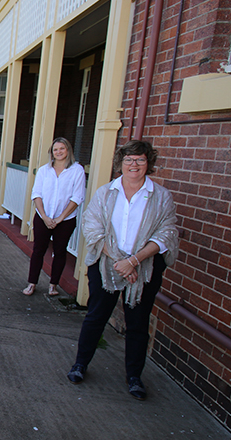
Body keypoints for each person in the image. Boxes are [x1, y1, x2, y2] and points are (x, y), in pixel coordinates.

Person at [67, 140, 178, 401]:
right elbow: (93, 228)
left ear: (148, 163)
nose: (134, 165)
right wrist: (121, 262)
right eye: (129, 160)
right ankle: (80, 364)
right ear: (121, 163)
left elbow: (167, 232)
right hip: (107, 265)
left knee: (138, 324)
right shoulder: (106, 192)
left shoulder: (161, 196)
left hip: (144, 269)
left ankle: (134, 377)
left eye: (140, 159)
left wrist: (135, 261)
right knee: (95, 317)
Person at [23, 137, 86, 296]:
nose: (58, 152)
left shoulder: (76, 170)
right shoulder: (44, 170)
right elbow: (36, 193)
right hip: (43, 217)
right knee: (38, 250)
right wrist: (44, 216)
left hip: (65, 220)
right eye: (55, 149)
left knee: (59, 251)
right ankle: (32, 283)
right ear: (51, 152)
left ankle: (53, 285)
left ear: (68, 150)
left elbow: (77, 197)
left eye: (62, 149)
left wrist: (60, 218)